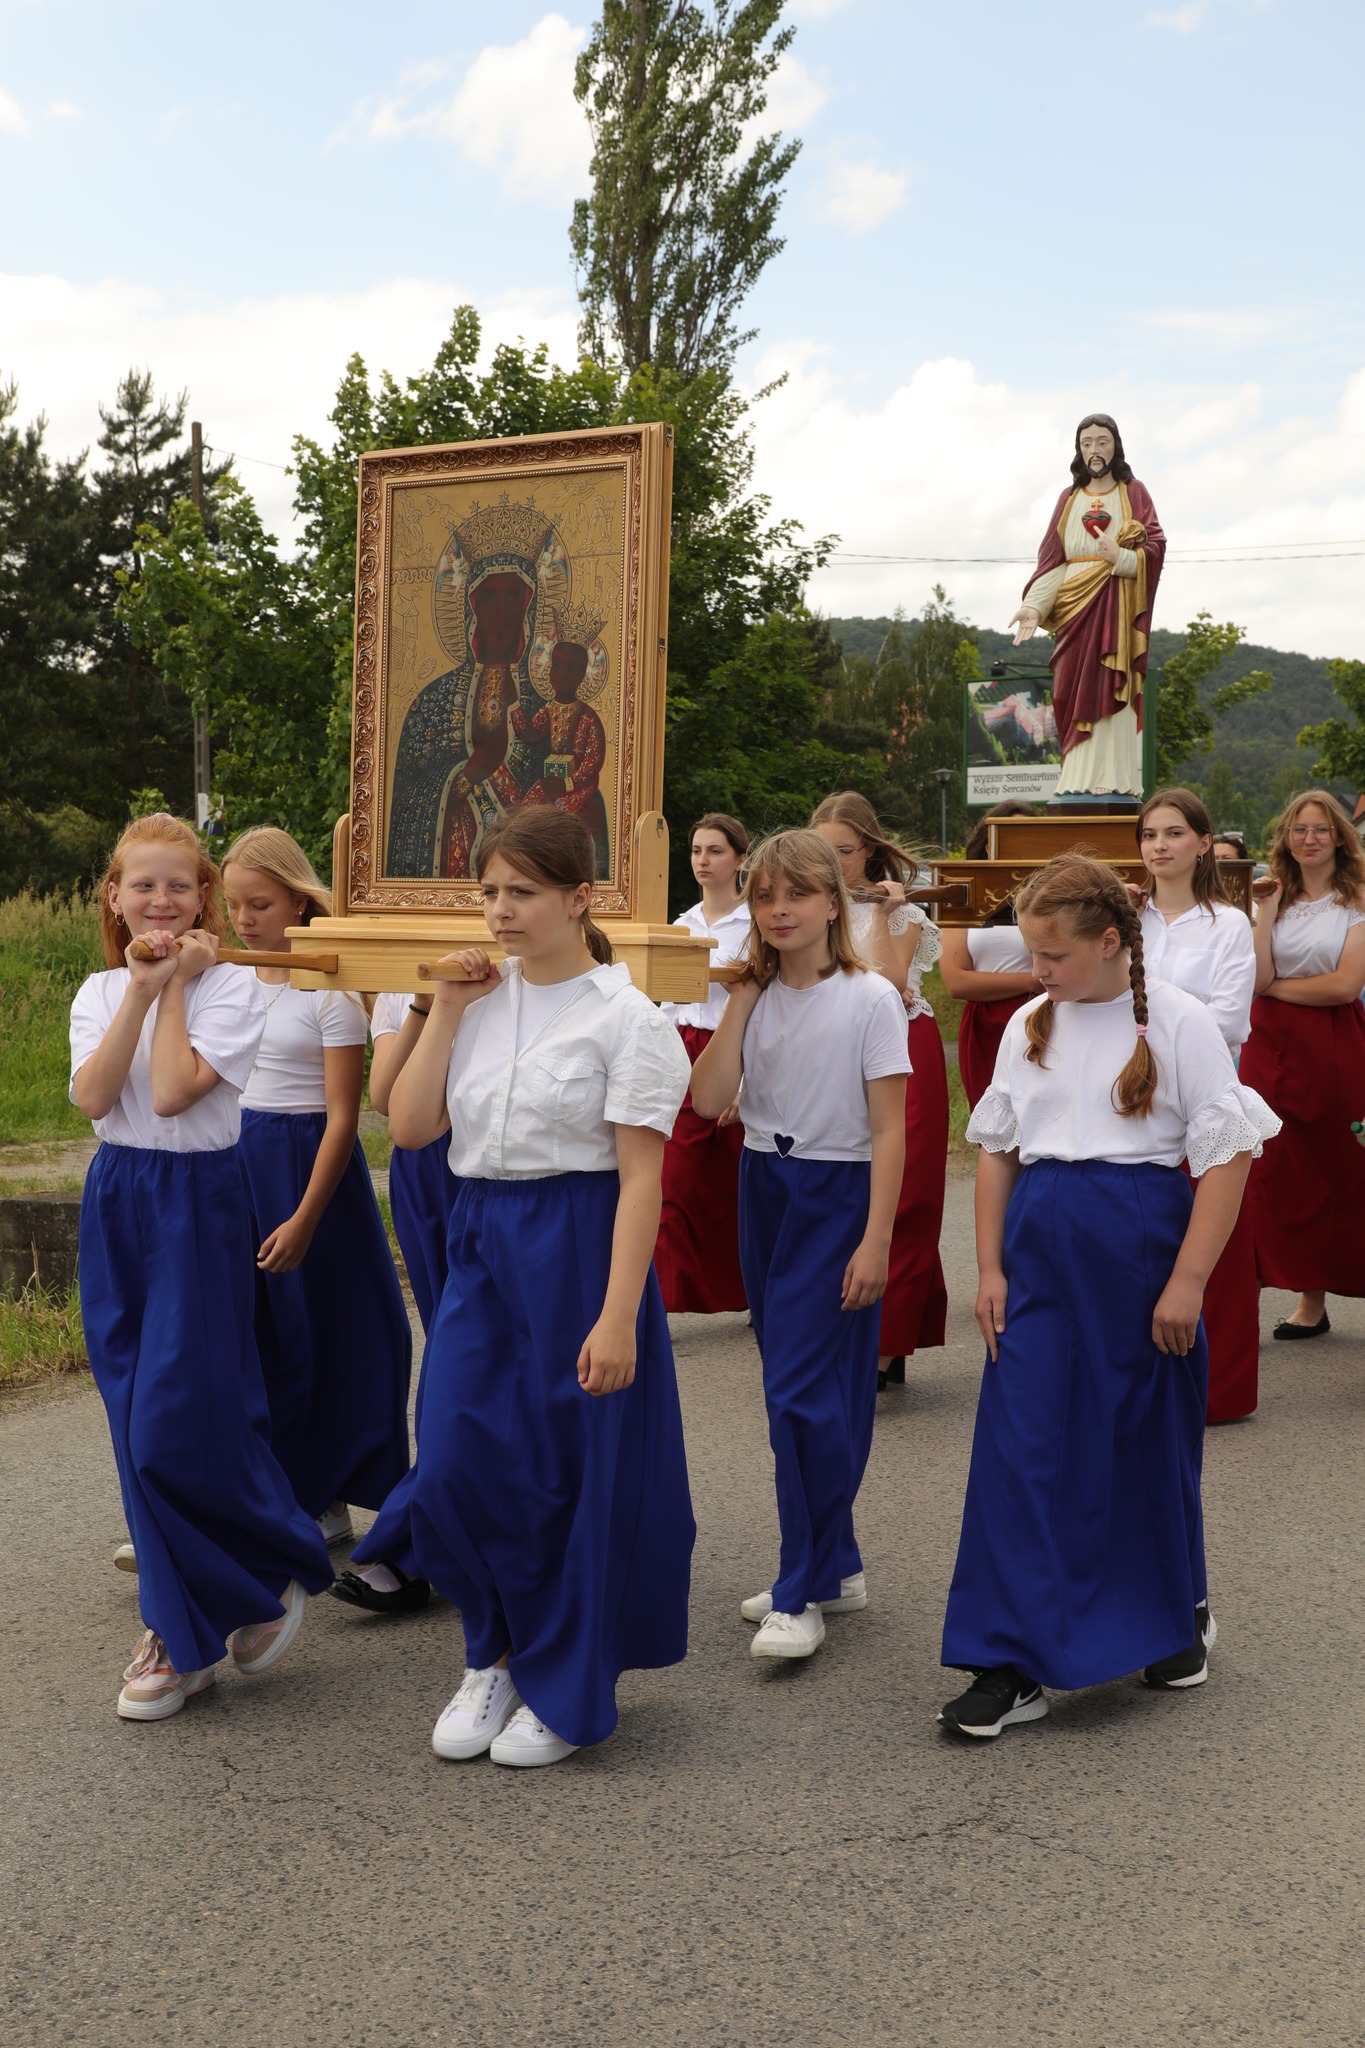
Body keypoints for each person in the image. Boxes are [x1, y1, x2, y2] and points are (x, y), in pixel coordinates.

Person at [371, 807, 695, 1767]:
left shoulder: (627, 1020)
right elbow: (411, 1128)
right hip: (482, 1241)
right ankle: (495, 1653)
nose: (500, 911)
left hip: (580, 1246)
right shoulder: (479, 1000)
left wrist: (618, 1316)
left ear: (578, 898)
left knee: (569, 1474)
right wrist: (445, 1007)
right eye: (489, 892)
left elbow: (641, 1181)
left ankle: (563, 1680)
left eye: (522, 892)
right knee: (456, 1461)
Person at [940, 855, 1278, 1739]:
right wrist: (988, 1269)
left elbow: (1228, 1154)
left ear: (1106, 942)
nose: (1036, 970)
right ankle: (1008, 1660)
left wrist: (1187, 1282)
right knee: (1020, 1450)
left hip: (1138, 1246)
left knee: (1139, 1440)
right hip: (1038, 1250)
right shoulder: (1029, 1023)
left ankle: (1172, 1613)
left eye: (1052, 955)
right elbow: (997, 1151)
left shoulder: (1176, 1020)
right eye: (1030, 953)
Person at [70, 813, 332, 1722]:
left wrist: (176, 985)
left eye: (178, 886)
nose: (160, 900)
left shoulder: (234, 988)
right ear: (114, 896)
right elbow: (95, 1096)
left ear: (202, 898)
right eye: (142, 885)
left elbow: (178, 1093)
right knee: (130, 1420)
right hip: (117, 1200)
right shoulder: (98, 991)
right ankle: (199, 1622)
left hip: (199, 1201)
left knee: (174, 1424)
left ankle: (238, 1586)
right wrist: (140, 991)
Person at [691, 830, 909, 1661]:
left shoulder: (869, 997)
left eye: (797, 894)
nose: (778, 910)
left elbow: (889, 1130)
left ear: (831, 902)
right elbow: (707, 1099)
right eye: (763, 896)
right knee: (795, 1387)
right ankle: (836, 1565)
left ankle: (799, 1589)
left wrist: (876, 1239)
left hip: (837, 1193)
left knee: (801, 1398)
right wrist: (741, 1002)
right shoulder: (752, 995)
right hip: (764, 1187)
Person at [222, 828, 412, 1548]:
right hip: (239, 1161)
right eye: (233, 905)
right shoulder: (229, 981)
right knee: (253, 1334)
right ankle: (251, 1496)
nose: (243, 919)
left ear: (299, 902)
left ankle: (326, 1497)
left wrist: (304, 1217)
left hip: (308, 1168)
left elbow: (342, 1119)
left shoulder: (329, 993)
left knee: (326, 1329)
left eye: (260, 904)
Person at [811, 792, 947, 1387]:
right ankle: (839, 1329)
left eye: (842, 851)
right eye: (822, 851)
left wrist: (880, 912)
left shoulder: (902, 915)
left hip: (903, 1049)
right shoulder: (811, 909)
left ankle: (887, 1347)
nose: (833, 862)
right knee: (841, 1191)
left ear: (868, 849)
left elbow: (892, 983)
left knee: (906, 1194)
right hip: (832, 1052)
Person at [328, 988, 456, 1617]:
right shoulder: (405, 984)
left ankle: (419, 1541)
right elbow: (383, 1095)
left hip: (505, 1164)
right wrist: (426, 1005)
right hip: (426, 1168)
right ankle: (433, 1540)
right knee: (453, 1353)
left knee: (468, 1366)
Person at [1135, 790, 1259, 1420]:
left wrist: (1144, 1024)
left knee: (1209, 1234)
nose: (1159, 846)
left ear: (1205, 843)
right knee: (1146, 1235)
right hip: (1131, 1091)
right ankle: (1141, 1385)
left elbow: (1229, 1020)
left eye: (1174, 833)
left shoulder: (1228, 924)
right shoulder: (1124, 918)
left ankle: (1217, 1389)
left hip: (1201, 1090)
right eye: (1149, 835)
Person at [1241, 791, 1365, 1338]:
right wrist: (1265, 912)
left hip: (1332, 1044)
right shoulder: (1271, 896)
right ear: (1286, 839)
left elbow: (1345, 986)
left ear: (1338, 835)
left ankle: (1316, 1298)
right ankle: (1252, 1301)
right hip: (1267, 1043)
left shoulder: (1357, 899)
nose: (1309, 839)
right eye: (1298, 829)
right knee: (1264, 1167)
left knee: (1329, 1166)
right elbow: (1255, 976)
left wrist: (1275, 988)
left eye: (1320, 829)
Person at [1009, 415, 1165, 800]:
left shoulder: (1134, 492)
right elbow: (1053, 559)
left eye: (1102, 442)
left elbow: (1156, 546)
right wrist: (1033, 606)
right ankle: (1074, 776)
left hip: (1115, 609)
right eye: (1087, 443)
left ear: (1116, 446)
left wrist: (1121, 558)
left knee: (1109, 683)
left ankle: (1114, 777)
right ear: (1079, 450)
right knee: (1068, 690)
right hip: (1073, 612)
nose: (1094, 450)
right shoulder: (1069, 498)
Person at [654, 812, 751, 1315]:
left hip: (735, 1050)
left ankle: (753, 1291)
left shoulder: (756, 924)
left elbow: (761, 1005)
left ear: (740, 859)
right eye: (696, 851)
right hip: (682, 1053)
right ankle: (663, 1302)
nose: (703, 860)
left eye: (715, 850)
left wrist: (747, 1083)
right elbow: (668, 1005)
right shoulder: (681, 924)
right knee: (672, 1181)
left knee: (737, 1183)